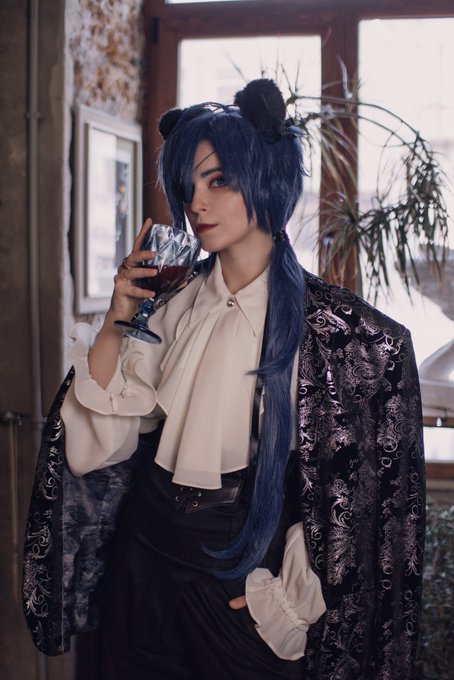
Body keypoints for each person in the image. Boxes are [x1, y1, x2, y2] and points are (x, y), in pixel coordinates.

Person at [22, 79, 425, 680]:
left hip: (241, 573)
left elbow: (354, 500)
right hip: (143, 559)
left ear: (267, 178)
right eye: (188, 186)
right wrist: (117, 321)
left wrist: (284, 604)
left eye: (218, 181)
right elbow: (94, 449)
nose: (196, 203)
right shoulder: (174, 304)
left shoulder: (339, 334)